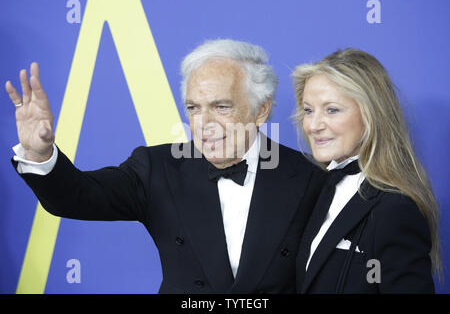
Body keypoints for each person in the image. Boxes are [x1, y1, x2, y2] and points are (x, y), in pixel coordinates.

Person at [6, 39, 325, 293]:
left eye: (221, 106)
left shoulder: (310, 177)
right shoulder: (156, 168)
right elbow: (74, 196)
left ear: (261, 110)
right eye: (193, 108)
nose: (204, 124)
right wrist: (39, 153)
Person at [291, 48, 440, 293]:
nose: (313, 125)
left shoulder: (396, 208)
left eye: (332, 110)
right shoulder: (317, 188)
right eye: (308, 110)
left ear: (371, 113)